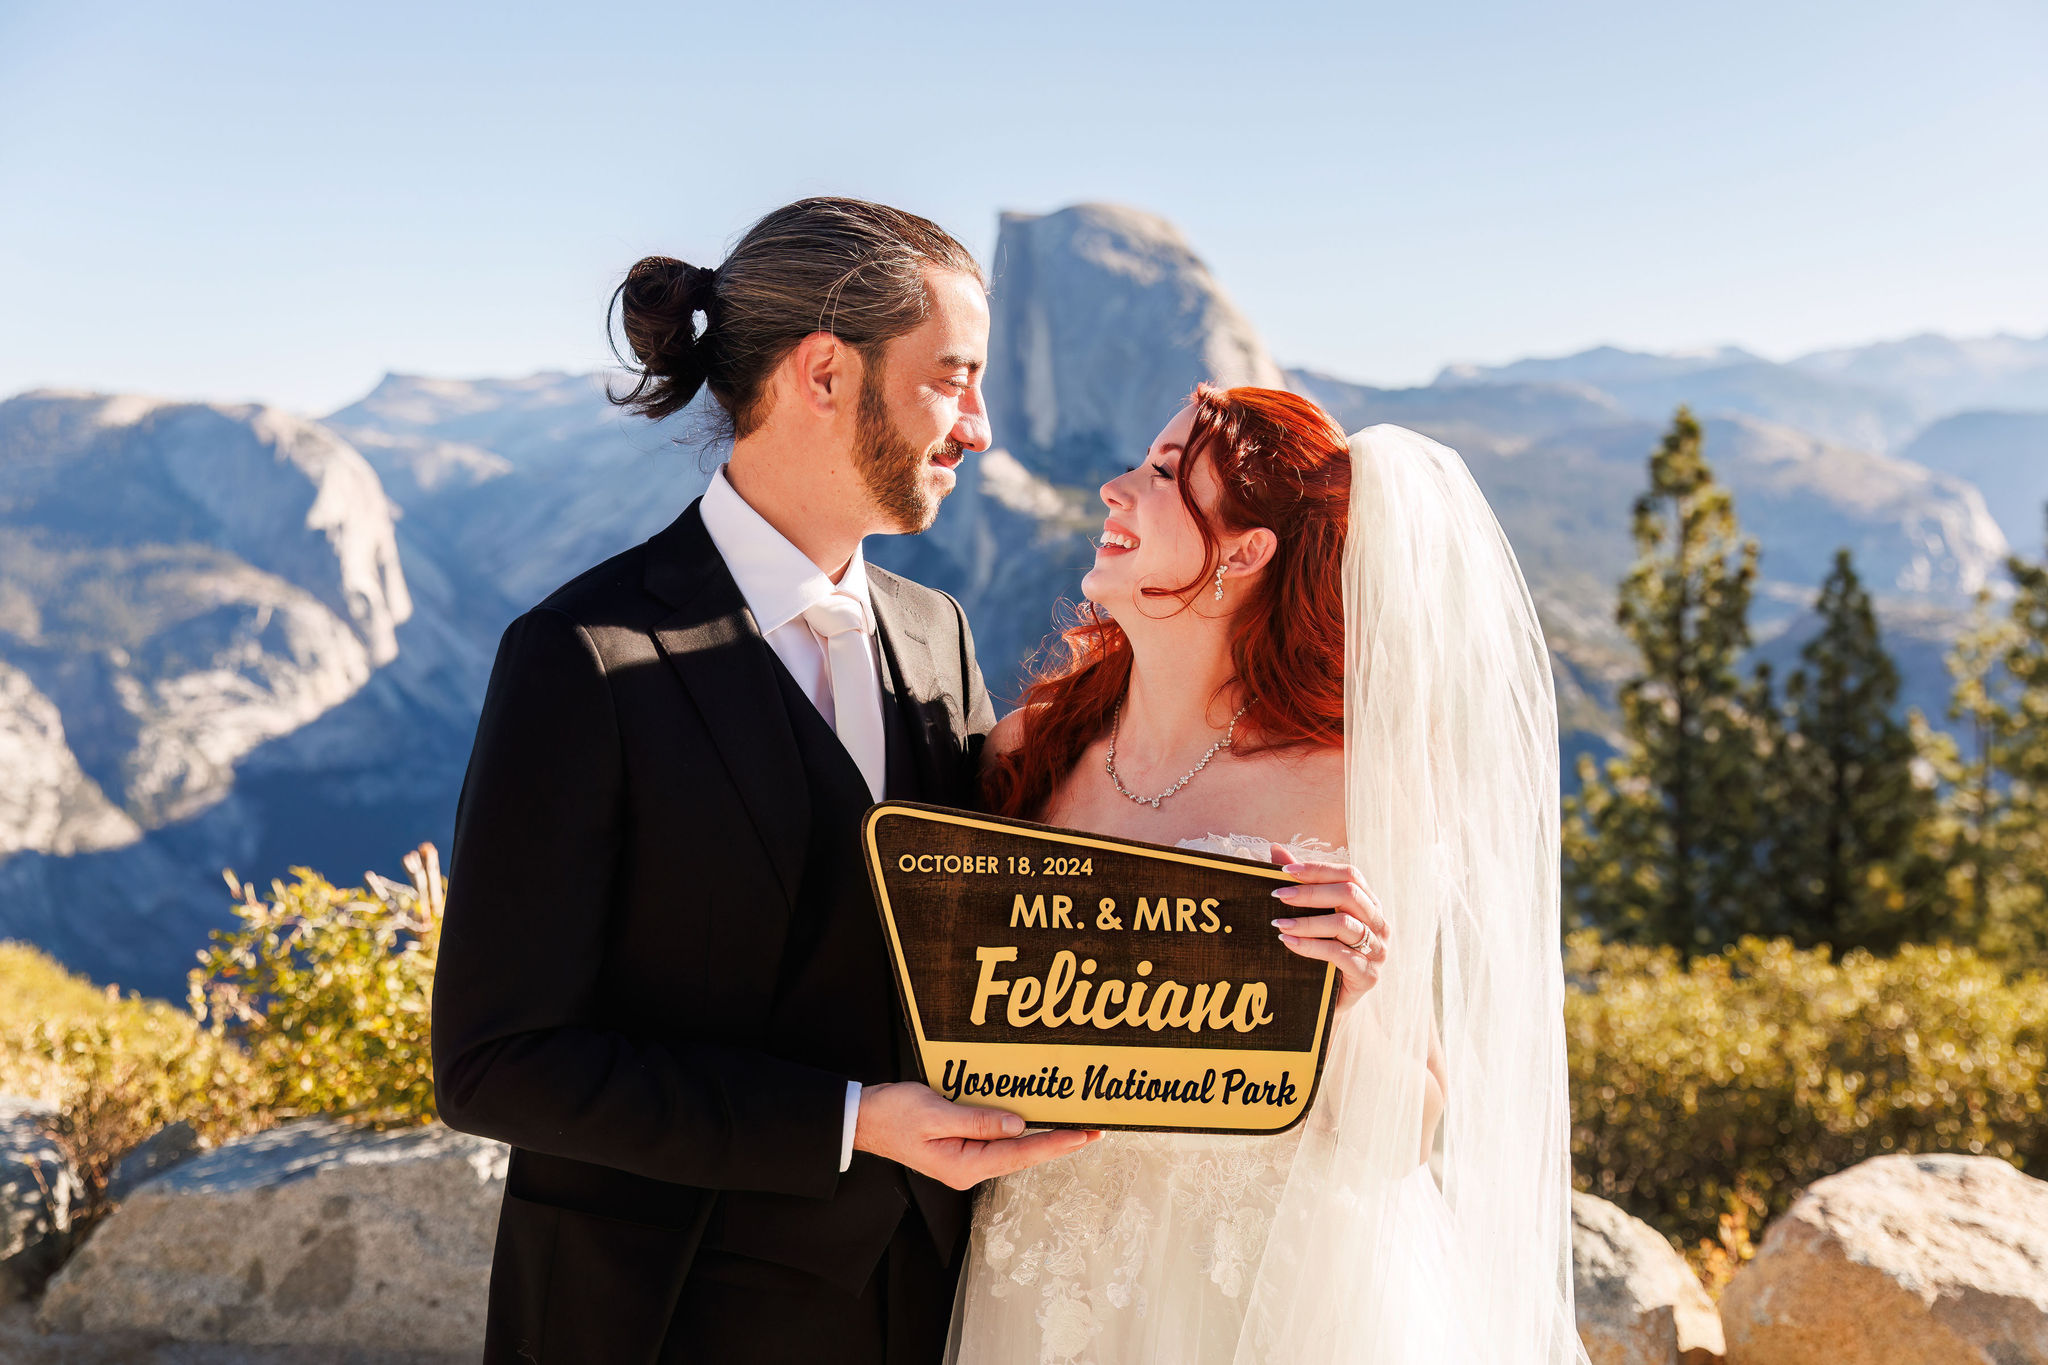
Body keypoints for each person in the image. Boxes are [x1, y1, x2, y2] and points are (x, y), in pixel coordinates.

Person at [430, 197, 1096, 1365]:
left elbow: (1011, 921)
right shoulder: (583, 654)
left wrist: (1286, 937)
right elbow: (497, 1065)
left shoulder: (935, 633)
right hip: (660, 1314)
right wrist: (847, 1123)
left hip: (924, 1299)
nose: (980, 429)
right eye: (952, 379)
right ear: (825, 373)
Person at [950, 385, 1588, 1364]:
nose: (1115, 490)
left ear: (1245, 552)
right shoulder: (1027, 750)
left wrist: (1333, 1005)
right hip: (1041, 1270)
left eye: (1162, 474)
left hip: (1259, 1294)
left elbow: (1403, 1134)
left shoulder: (1350, 788)